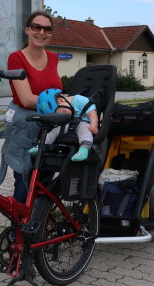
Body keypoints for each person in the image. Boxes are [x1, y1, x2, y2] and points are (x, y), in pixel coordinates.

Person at [6, 10, 62, 202]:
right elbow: (27, 99)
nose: (41, 32)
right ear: (27, 30)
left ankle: (39, 226)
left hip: (50, 128)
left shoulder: (53, 58)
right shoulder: (16, 58)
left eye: (47, 29)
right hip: (26, 127)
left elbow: (55, 91)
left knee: (44, 181)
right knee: (23, 183)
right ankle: (18, 230)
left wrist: (64, 101)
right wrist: (62, 103)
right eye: (36, 27)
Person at [30, 88, 98, 162]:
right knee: (54, 131)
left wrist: (94, 125)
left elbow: (92, 114)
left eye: (62, 112)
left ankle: (84, 150)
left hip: (84, 122)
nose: (63, 115)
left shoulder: (79, 100)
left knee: (85, 131)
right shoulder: (64, 106)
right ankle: (41, 146)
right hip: (68, 123)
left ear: (61, 100)